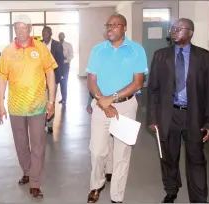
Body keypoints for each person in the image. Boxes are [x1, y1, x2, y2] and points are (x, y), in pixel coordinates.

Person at [147, 18, 209, 203]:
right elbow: (153, 89)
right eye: (173, 28)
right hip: (169, 115)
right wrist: (152, 117)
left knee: (196, 158)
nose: (174, 31)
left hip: (194, 116)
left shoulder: (205, 57)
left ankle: (199, 198)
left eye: (179, 28)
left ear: (190, 32)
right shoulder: (161, 56)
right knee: (168, 156)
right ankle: (171, 189)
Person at [86, 14, 147, 203]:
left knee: (122, 154)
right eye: (108, 25)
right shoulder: (98, 50)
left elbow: (138, 83)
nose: (110, 28)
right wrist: (103, 102)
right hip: (100, 104)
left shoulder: (136, 50)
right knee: (97, 151)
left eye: (115, 25)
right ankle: (97, 185)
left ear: (124, 28)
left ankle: (117, 197)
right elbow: (91, 81)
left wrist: (111, 99)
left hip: (126, 106)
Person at [0, 14, 57, 198]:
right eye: (17, 28)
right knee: (21, 144)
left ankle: (35, 182)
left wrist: (51, 101)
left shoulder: (41, 48)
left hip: (38, 106)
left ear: (30, 28)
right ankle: (27, 171)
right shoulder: (7, 51)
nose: (20, 31)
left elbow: (50, 74)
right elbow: (2, 77)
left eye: (23, 28)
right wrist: (1, 103)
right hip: (16, 107)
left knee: (38, 144)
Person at [42, 26, 64, 133]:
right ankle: (42, 122)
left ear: (50, 34)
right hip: (40, 80)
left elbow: (60, 63)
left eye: (46, 32)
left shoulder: (57, 45)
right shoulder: (39, 45)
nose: (44, 34)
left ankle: (50, 123)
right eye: (43, 32)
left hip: (52, 78)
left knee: (51, 101)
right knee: (41, 101)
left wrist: (58, 78)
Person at [58, 32, 74, 104]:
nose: (60, 37)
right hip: (58, 66)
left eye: (62, 36)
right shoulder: (57, 45)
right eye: (59, 36)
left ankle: (64, 99)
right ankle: (62, 98)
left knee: (64, 82)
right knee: (60, 83)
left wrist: (66, 59)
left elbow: (71, 55)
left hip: (65, 66)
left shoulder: (68, 45)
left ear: (64, 36)